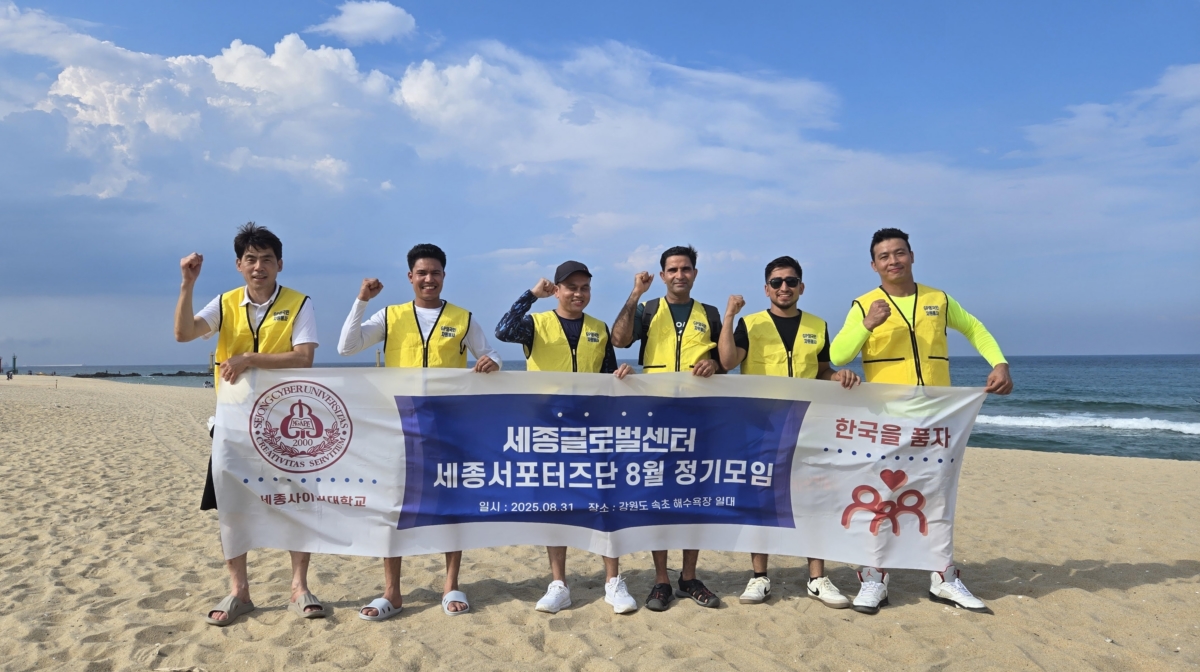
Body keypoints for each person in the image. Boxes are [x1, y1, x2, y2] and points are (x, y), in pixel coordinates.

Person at [830, 227, 1013, 615]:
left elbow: (974, 328)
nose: (893, 261)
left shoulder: (938, 299)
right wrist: (867, 324)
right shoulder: (864, 305)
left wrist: (999, 362)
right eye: (884, 256)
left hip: (936, 415)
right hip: (887, 418)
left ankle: (943, 576)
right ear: (873, 265)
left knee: (937, 494)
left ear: (912, 256)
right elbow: (839, 355)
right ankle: (874, 576)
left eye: (899, 253)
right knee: (881, 495)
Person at [337, 243, 502, 621]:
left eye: (436, 273)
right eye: (422, 273)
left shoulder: (462, 318)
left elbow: (490, 354)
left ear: (444, 276)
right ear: (410, 277)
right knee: (394, 507)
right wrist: (361, 301)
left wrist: (490, 362)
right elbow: (346, 347)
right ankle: (392, 591)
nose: (429, 279)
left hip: (450, 426)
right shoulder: (390, 315)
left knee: (451, 505)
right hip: (399, 425)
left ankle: (451, 584)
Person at [173, 222, 324, 626]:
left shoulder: (299, 303)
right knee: (232, 507)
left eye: (267, 259)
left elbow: (304, 357)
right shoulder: (225, 303)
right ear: (239, 265)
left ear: (280, 265)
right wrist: (188, 283)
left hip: (287, 425)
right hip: (234, 422)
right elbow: (184, 333)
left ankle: (299, 587)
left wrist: (248, 359)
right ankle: (239, 591)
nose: (259, 267)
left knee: (297, 503)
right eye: (251, 259)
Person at [495, 260, 637, 614]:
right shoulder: (535, 324)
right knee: (555, 506)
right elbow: (503, 330)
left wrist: (622, 373)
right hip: (548, 431)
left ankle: (613, 581)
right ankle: (559, 584)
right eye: (571, 287)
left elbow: (608, 376)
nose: (578, 293)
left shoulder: (599, 328)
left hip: (592, 431)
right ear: (557, 290)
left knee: (605, 503)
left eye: (584, 287)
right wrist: (531, 295)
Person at [718, 255, 859, 610]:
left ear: (801, 287)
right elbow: (728, 362)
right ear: (766, 289)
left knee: (812, 500)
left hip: (808, 424)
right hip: (761, 427)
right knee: (760, 502)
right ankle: (759, 576)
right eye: (777, 282)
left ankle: (816, 578)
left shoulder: (817, 325)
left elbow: (822, 370)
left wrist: (839, 376)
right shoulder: (750, 323)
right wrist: (730, 316)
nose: (784, 287)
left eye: (791, 281)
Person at [609, 245, 722, 611]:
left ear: (695, 273)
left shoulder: (710, 313)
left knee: (693, 494)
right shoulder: (648, 309)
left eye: (685, 269)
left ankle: (689, 577)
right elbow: (619, 340)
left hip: (697, 414)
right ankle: (661, 580)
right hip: (654, 415)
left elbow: (725, 358)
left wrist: (714, 365)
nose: (679, 275)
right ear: (662, 276)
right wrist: (635, 294)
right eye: (672, 270)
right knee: (658, 495)